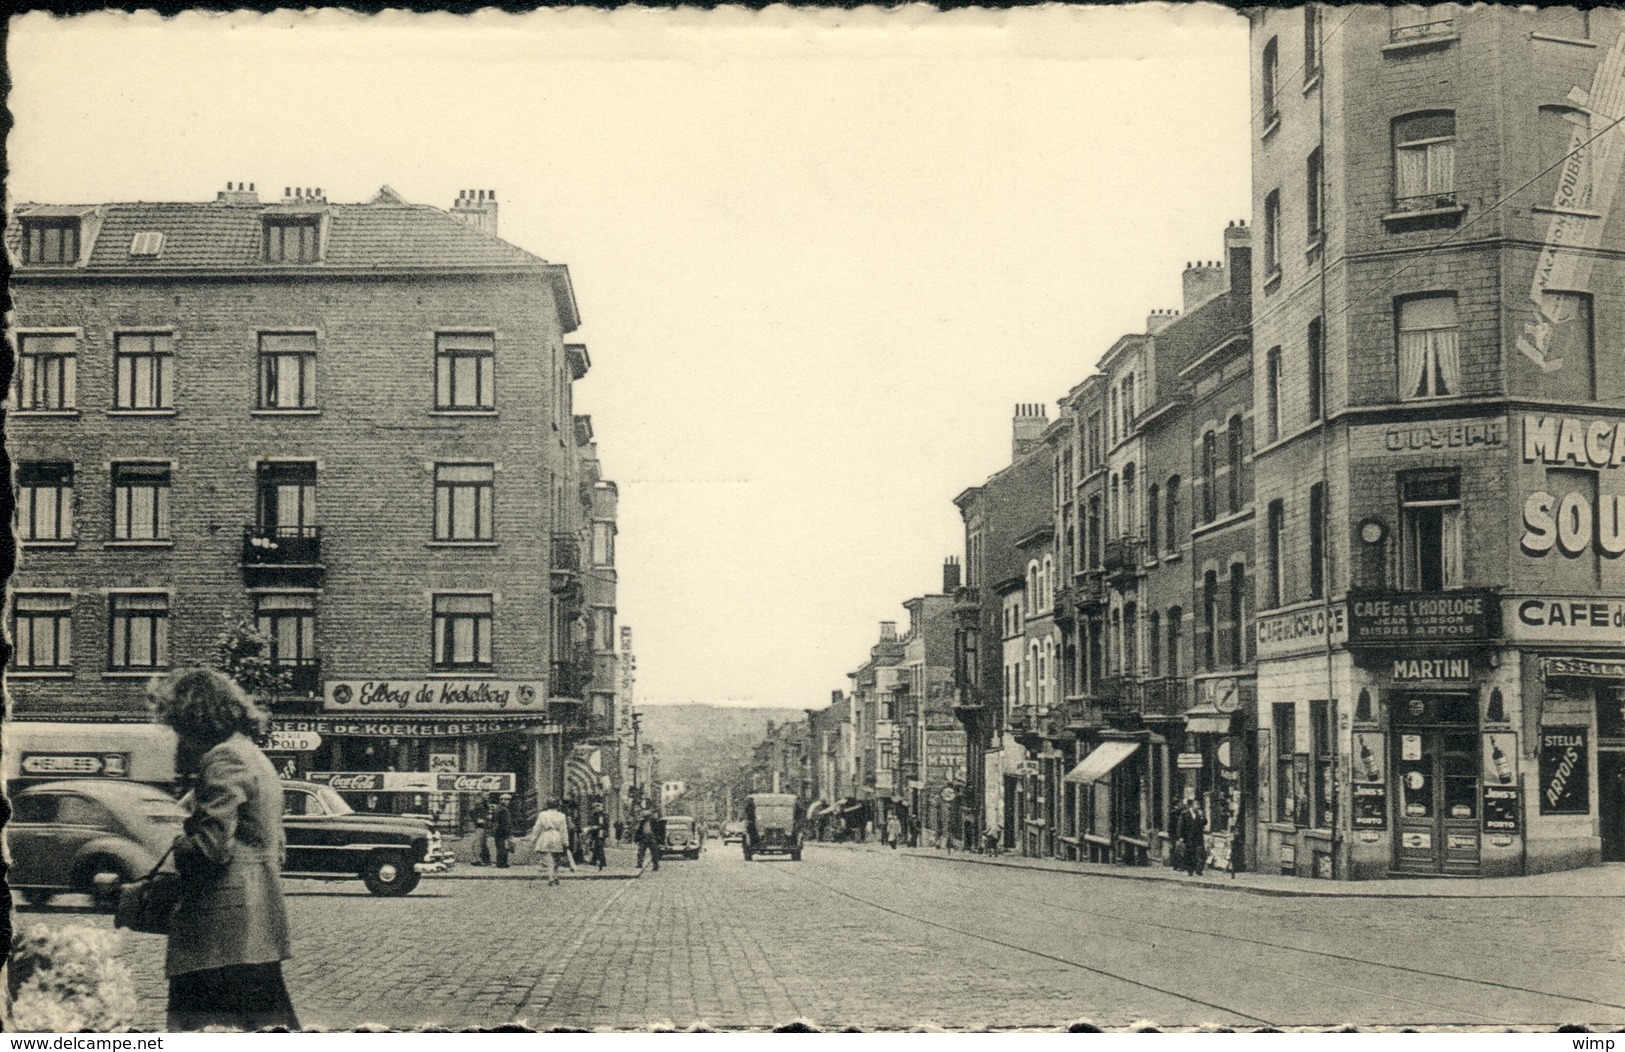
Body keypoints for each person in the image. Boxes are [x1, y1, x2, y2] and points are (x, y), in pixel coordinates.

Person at [148, 668, 299, 1032]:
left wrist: (177, 839)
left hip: (219, 933)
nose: (177, 735)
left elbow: (209, 849)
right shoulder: (253, 755)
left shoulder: (223, 758)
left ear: (195, 716)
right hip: (255, 926)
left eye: (177, 723)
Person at [528, 800, 575, 886]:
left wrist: (533, 838)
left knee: (549, 858)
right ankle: (556, 876)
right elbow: (563, 829)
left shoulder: (543, 814)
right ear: (558, 806)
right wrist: (565, 841)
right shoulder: (562, 816)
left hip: (546, 835)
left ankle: (550, 878)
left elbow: (537, 827)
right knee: (557, 858)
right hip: (557, 836)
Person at [1176, 795, 1208, 877]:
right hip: (1189, 837)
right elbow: (1180, 826)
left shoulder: (1200, 814)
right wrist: (1180, 837)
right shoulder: (1185, 814)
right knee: (1190, 854)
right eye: (1196, 805)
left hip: (1198, 837)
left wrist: (1202, 816)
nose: (1198, 807)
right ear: (1192, 805)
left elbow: (1205, 823)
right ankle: (1190, 870)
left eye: (1198, 805)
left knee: (1200, 853)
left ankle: (1199, 870)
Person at [489, 793, 514, 868]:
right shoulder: (504, 810)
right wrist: (509, 833)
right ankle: (502, 864)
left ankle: (500, 863)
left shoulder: (497, 808)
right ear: (503, 800)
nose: (508, 801)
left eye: (508, 800)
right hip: (502, 831)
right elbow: (506, 822)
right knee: (503, 847)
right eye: (507, 800)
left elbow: (493, 820)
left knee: (500, 847)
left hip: (497, 831)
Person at [469, 795, 492, 866]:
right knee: (482, 843)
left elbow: (474, 815)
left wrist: (472, 811)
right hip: (481, 826)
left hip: (481, 826)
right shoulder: (484, 806)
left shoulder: (481, 806)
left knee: (479, 843)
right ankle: (484, 860)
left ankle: (482, 860)